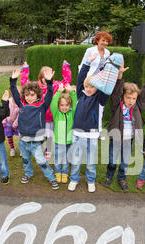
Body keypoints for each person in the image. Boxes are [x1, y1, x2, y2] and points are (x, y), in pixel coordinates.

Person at [105, 64, 145, 192]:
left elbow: (144, 96)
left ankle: (121, 177)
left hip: (129, 139)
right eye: (128, 97)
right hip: (116, 137)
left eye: (133, 98)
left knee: (124, 162)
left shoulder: (138, 107)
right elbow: (117, 91)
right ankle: (109, 175)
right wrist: (120, 76)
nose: (131, 100)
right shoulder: (117, 105)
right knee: (112, 160)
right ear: (123, 97)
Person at [10, 67, 59, 190]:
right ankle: (28, 174)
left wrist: (49, 82)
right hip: (22, 141)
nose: (29, 97)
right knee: (26, 161)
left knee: (42, 162)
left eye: (32, 95)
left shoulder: (42, 105)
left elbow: (49, 94)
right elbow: (15, 93)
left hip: (36, 142)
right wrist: (13, 81)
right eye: (27, 95)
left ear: (37, 95)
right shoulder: (21, 104)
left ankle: (51, 178)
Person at [68, 53, 110, 193]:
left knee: (90, 163)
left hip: (91, 136)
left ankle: (91, 181)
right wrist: (87, 63)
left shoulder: (100, 100)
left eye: (92, 87)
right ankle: (74, 179)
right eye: (87, 86)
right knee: (76, 161)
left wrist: (106, 68)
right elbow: (81, 78)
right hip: (77, 135)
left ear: (98, 88)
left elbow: (106, 87)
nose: (89, 89)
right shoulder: (80, 95)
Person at [21, 60, 72, 160]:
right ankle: (38, 149)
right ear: (41, 77)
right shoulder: (36, 87)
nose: (47, 78)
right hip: (38, 117)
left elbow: (66, 82)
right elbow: (24, 84)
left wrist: (65, 67)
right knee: (39, 134)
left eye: (49, 76)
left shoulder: (56, 85)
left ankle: (48, 150)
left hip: (51, 117)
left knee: (49, 135)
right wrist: (25, 70)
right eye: (44, 77)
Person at [79, 31, 113, 138]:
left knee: (100, 107)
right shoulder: (90, 50)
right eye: (103, 40)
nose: (105, 43)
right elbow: (83, 65)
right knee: (86, 105)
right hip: (89, 81)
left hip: (100, 83)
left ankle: (98, 130)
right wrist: (83, 82)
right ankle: (82, 127)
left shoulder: (107, 52)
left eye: (107, 41)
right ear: (97, 40)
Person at [50, 83, 78, 184]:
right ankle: (57, 172)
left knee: (66, 158)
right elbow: (53, 103)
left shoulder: (72, 112)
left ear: (70, 105)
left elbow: (75, 102)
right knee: (58, 158)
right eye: (62, 105)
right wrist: (59, 91)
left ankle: (64, 173)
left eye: (67, 105)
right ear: (58, 105)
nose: (64, 107)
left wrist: (72, 92)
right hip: (58, 141)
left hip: (69, 141)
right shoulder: (56, 113)